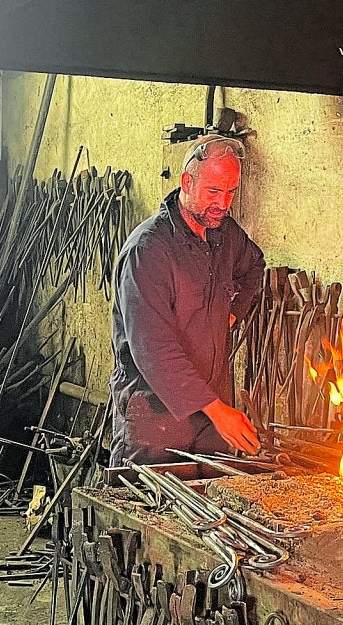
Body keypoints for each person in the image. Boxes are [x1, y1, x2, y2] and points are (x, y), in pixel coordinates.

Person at [109, 134, 266, 466]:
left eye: (230, 193)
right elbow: (153, 349)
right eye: (213, 192)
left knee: (214, 507)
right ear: (186, 182)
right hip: (155, 415)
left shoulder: (225, 235)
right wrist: (218, 410)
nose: (223, 204)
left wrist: (233, 313)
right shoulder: (149, 250)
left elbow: (254, 268)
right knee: (148, 511)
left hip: (211, 416)